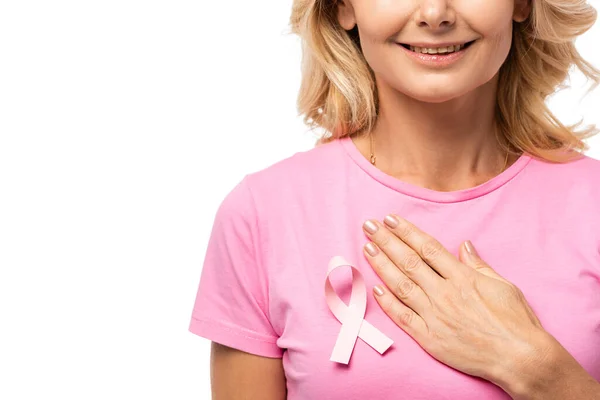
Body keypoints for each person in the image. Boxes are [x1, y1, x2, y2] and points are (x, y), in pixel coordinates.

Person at [188, 0, 600, 399]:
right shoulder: (264, 213)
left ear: (522, 3)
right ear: (343, 7)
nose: (435, 13)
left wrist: (535, 368)